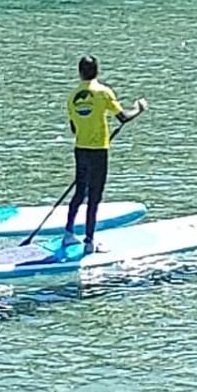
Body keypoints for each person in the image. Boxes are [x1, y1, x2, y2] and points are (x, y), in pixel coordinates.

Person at [62, 56, 146, 251]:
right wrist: (138, 109)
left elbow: (74, 129)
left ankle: (68, 233)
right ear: (97, 71)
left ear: (79, 72)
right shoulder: (104, 92)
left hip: (80, 149)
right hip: (98, 150)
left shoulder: (72, 97)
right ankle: (89, 241)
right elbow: (123, 117)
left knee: (78, 193)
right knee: (94, 196)